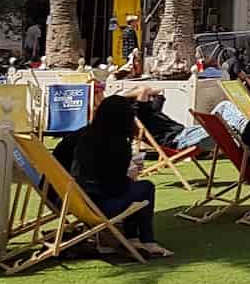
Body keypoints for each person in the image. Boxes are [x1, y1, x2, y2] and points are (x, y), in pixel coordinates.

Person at [69, 95, 172, 259]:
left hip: (81, 200)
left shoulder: (86, 136)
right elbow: (115, 187)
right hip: (102, 205)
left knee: (136, 189)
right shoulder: (117, 143)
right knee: (146, 188)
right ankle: (146, 240)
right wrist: (130, 176)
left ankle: (134, 238)